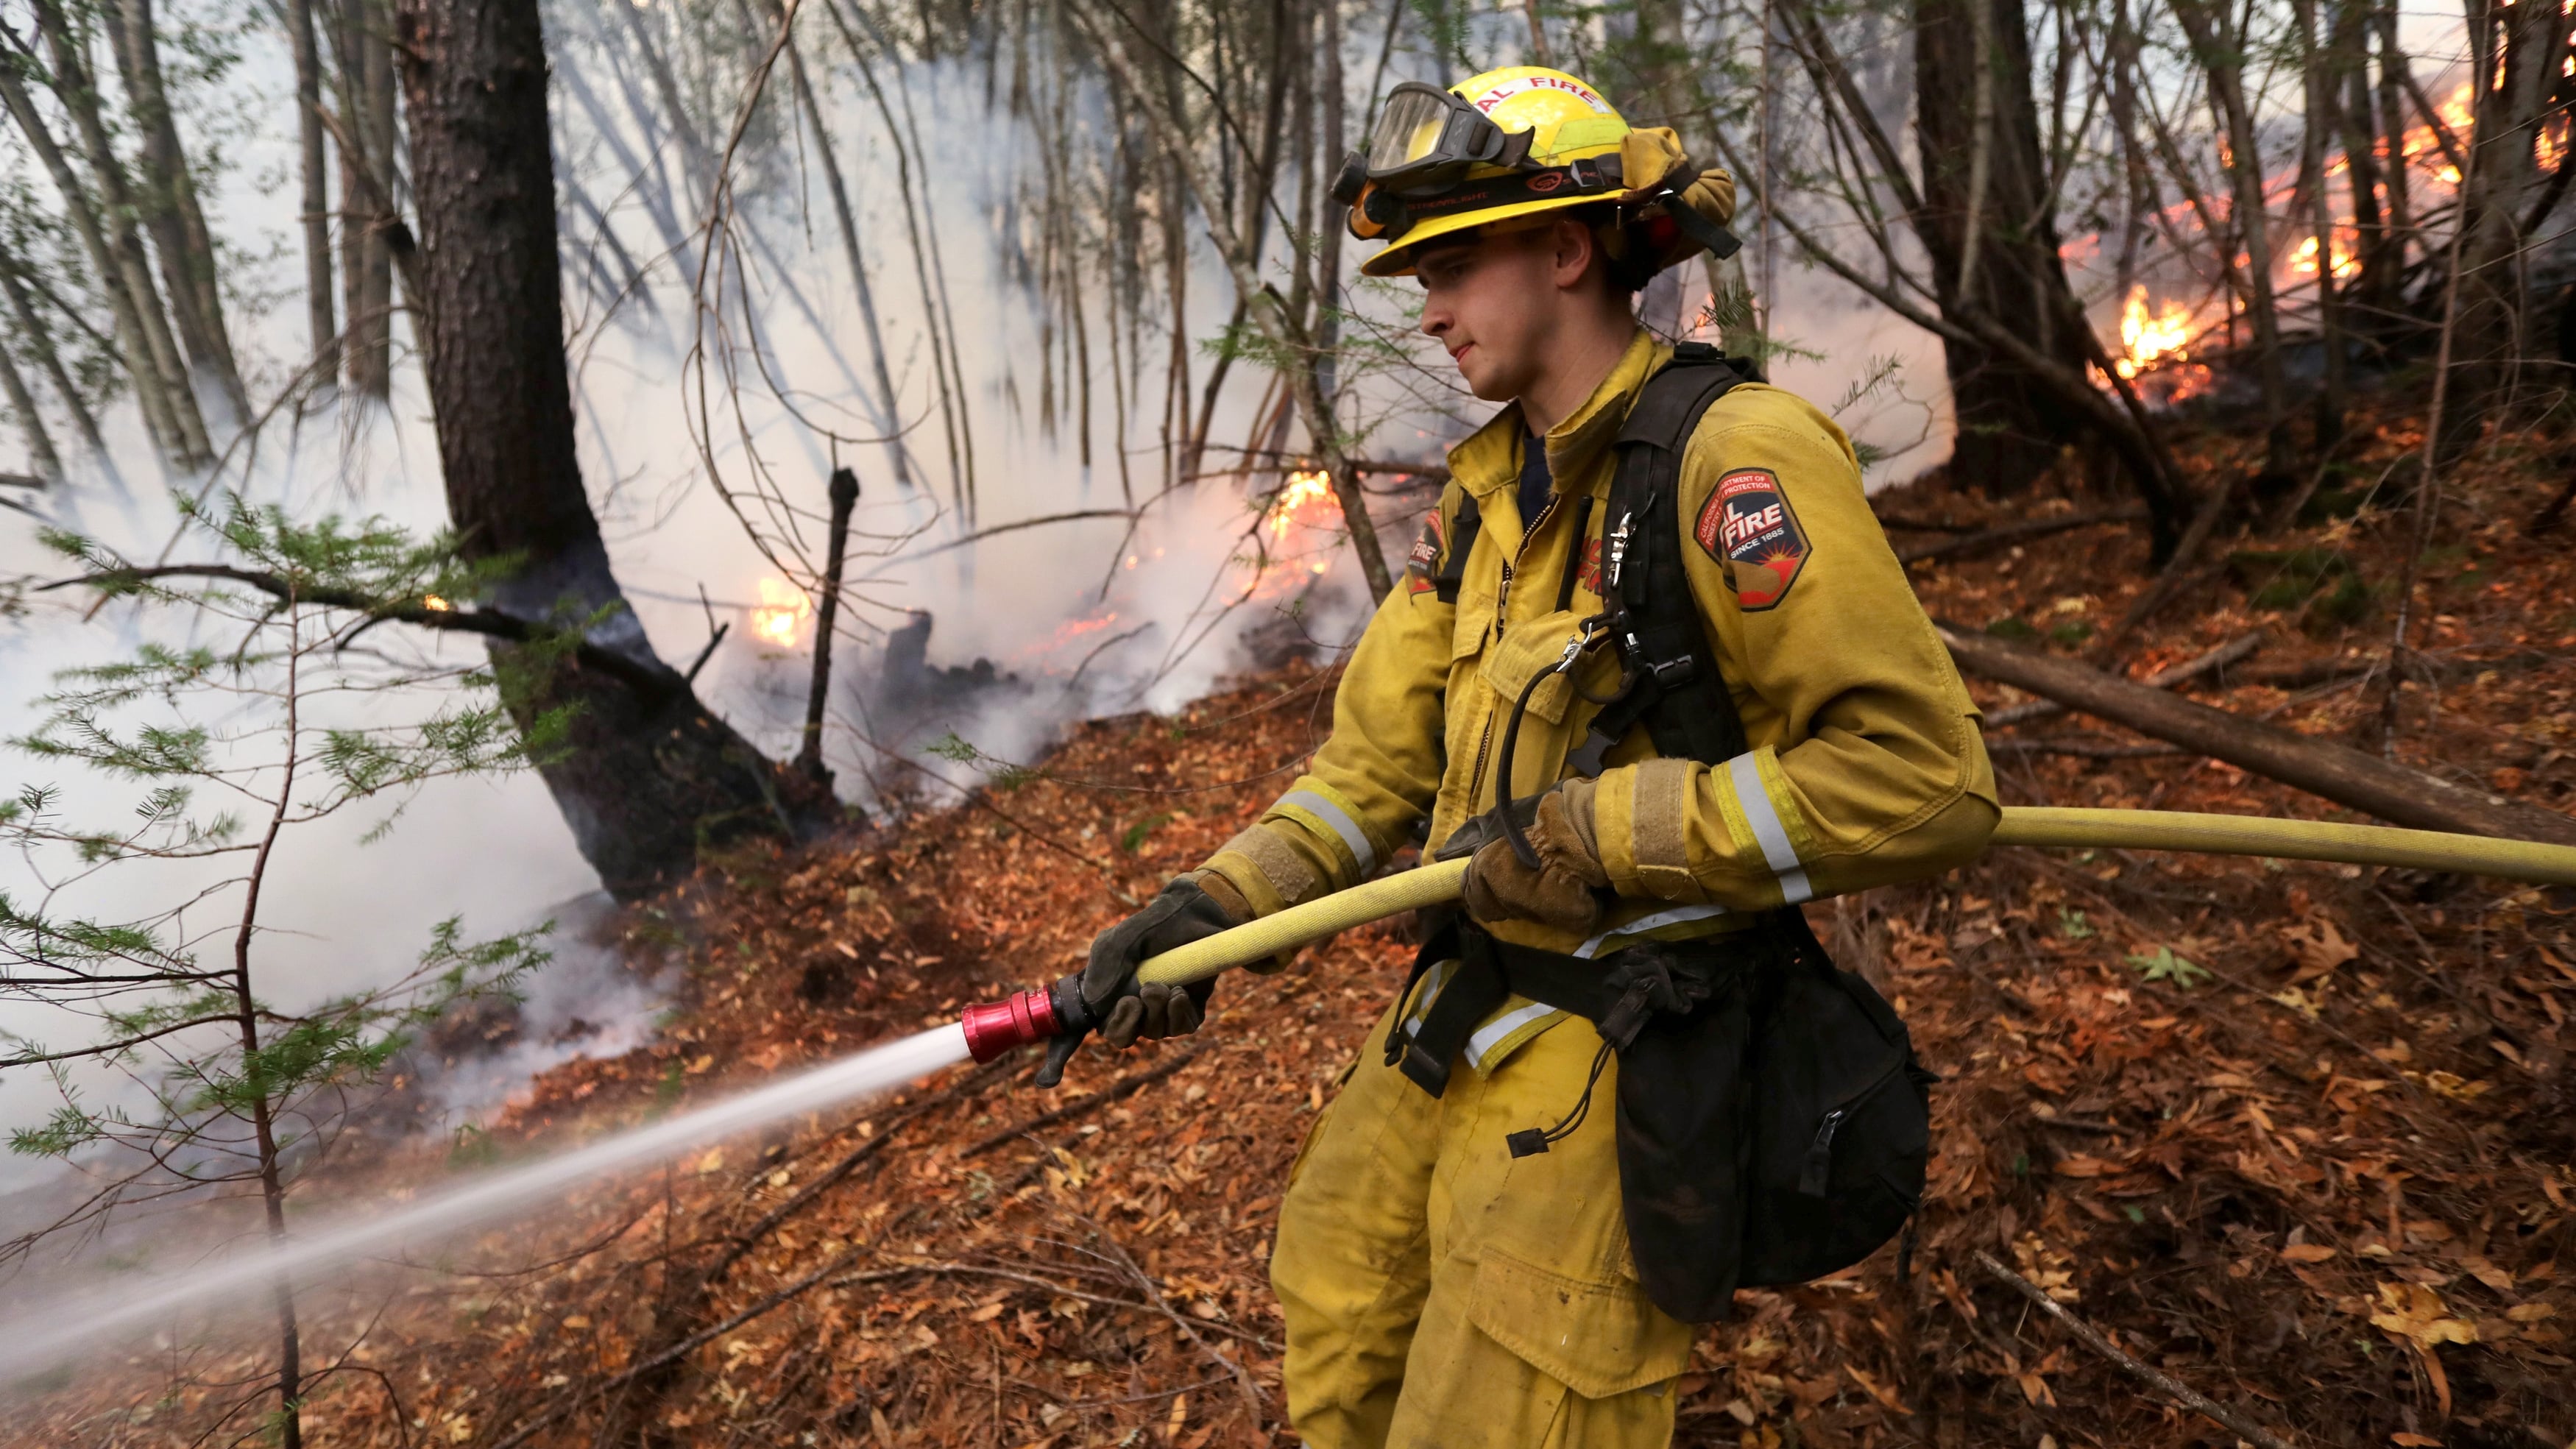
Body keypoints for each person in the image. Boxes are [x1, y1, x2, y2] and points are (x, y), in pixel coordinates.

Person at [1079, 65, 1998, 1448]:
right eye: (1419, 275)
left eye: (1454, 263)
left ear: (1567, 248)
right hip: (1457, 1024)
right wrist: (1210, 913)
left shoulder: (1731, 459)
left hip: (1627, 1055)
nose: (1430, 306)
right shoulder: (1485, 499)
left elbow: (1926, 778)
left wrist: (1600, 831)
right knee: (1337, 1307)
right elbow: (1369, 774)